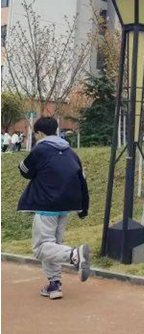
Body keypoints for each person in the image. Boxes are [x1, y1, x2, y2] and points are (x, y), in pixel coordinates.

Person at [17, 117, 91, 299]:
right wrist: (84, 207)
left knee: (41, 247)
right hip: (67, 205)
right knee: (52, 246)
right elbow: (82, 180)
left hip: (46, 204)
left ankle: (73, 254)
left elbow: (25, 172)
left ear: (39, 133)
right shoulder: (71, 153)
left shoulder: (40, 149)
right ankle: (54, 284)